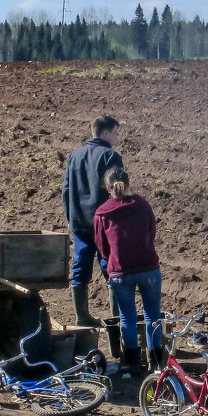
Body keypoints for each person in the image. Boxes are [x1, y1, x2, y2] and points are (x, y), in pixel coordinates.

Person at [93, 166, 161, 375]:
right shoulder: (143, 205)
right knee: (153, 317)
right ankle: (156, 363)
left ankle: (131, 364)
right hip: (148, 267)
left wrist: (112, 260)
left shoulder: (102, 213)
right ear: (128, 183)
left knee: (127, 318)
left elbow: (102, 248)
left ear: (107, 188)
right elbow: (151, 233)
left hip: (120, 272)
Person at [62, 115, 124, 326]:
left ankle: (82, 316)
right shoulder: (110, 156)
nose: (116, 137)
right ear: (105, 133)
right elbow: (116, 191)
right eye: (115, 133)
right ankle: (116, 318)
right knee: (110, 267)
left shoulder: (74, 156)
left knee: (80, 265)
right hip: (104, 222)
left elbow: (66, 190)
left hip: (79, 220)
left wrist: (71, 218)